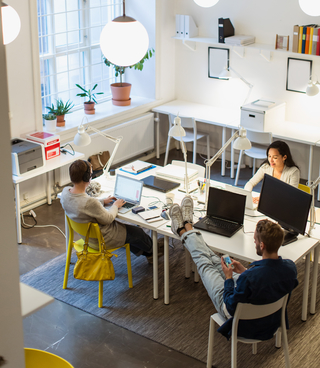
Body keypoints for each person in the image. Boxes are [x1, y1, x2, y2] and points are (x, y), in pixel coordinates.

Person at [169, 196, 298, 340]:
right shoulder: (290, 268)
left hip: (243, 322)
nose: (254, 241)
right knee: (218, 261)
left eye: (255, 240)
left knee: (205, 264)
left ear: (262, 246)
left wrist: (229, 279)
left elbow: (230, 305)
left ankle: (183, 229)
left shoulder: (250, 278)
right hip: (271, 321)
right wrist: (244, 271)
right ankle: (186, 227)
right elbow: (264, 280)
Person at [61, 160, 157, 262]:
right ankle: (153, 252)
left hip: (87, 238)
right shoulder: (90, 203)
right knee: (138, 233)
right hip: (103, 239)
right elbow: (108, 219)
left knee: (131, 233)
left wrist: (102, 201)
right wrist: (115, 205)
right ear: (87, 177)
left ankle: (146, 251)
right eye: (91, 173)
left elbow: (81, 204)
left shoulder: (65, 193)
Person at [244, 140, 300, 204]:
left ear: (284, 157)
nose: (271, 160)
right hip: (268, 204)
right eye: (269, 156)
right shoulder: (266, 167)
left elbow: (291, 196)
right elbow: (250, 183)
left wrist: (264, 198)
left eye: (275, 158)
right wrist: (248, 197)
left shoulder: (293, 172)